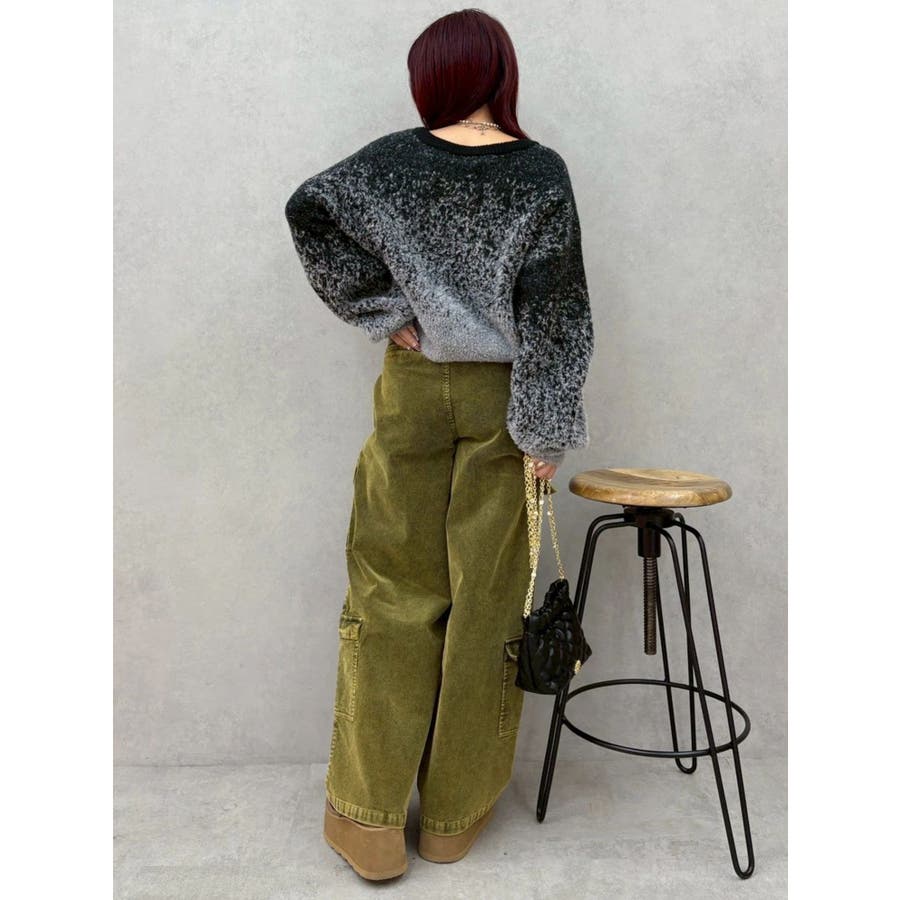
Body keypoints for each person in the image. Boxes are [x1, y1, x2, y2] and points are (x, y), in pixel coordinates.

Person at [284, 8, 594, 882]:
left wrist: (387, 312)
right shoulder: (538, 172)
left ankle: (369, 824)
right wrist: (545, 427)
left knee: (393, 592)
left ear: (430, 77)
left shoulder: (389, 163)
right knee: (484, 605)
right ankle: (451, 822)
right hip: (503, 397)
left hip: (414, 390)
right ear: (501, 73)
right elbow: (558, 311)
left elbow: (310, 212)